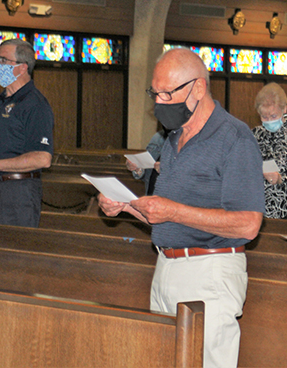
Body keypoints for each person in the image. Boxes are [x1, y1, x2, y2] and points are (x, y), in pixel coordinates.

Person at [97, 48, 264, 368]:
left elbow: (248, 225)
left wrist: (173, 211)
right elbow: (168, 216)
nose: (159, 103)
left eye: (166, 93)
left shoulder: (235, 137)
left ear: (198, 88)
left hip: (210, 273)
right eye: (154, 93)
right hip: (166, 266)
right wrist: (128, 207)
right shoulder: (174, 138)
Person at [0, 38, 54, 228]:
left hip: (17, 194)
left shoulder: (35, 105)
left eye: (3, 60)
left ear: (22, 67)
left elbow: (42, 158)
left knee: (12, 253)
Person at [252, 82, 287, 219]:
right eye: (264, 117)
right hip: (256, 209)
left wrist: (280, 179)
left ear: (284, 109)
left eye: (273, 116)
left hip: (285, 210)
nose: (269, 120)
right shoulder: (255, 135)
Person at [126, 128, 168, 195]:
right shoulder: (158, 137)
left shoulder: (187, 140)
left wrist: (167, 169)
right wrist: (137, 168)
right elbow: (149, 174)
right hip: (151, 196)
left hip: (173, 201)